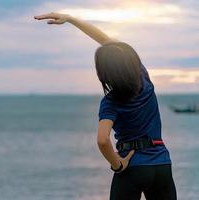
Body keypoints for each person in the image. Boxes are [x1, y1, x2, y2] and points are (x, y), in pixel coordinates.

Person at [34, 12, 177, 200]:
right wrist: (71, 19)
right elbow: (109, 43)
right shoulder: (144, 79)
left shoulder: (110, 102)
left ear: (105, 74)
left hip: (132, 166)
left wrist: (117, 164)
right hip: (161, 164)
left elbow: (103, 140)